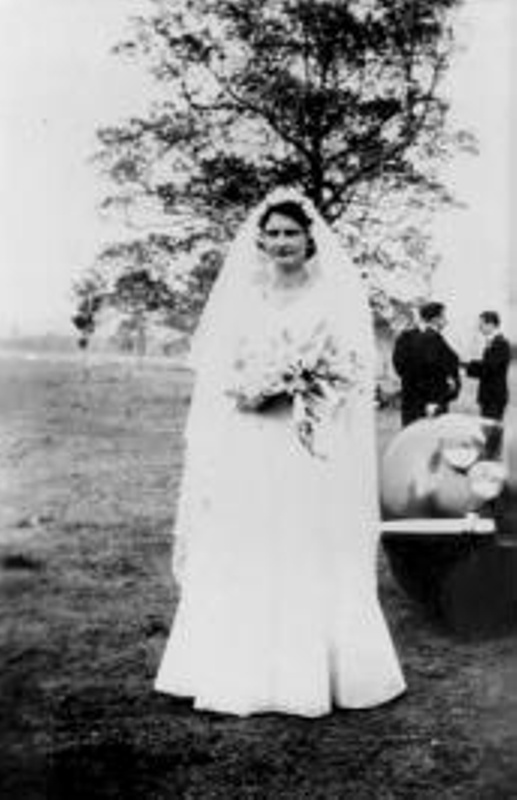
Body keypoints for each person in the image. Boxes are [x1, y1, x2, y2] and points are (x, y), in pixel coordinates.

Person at [155, 188, 406, 717]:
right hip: (252, 437)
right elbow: (221, 369)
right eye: (271, 234)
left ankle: (316, 673)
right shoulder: (244, 298)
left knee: (303, 536)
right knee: (248, 537)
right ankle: (233, 667)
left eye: (291, 233)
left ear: (310, 239)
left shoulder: (333, 297)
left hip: (306, 442)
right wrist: (249, 388)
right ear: (260, 240)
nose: (281, 242)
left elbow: (351, 371)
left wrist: (301, 385)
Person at [392, 301, 461, 426]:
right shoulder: (431, 338)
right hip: (430, 403)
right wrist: (432, 400)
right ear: (435, 319)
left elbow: (399, 367)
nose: (446, 321)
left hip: (414, 401)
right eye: (444, 317)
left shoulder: (406, 336)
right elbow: (432, 370)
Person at [464, 311, 511, 421]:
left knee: (491, 431)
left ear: (491, 324)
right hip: (490, 396)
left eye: (481, 324)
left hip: (494, 396)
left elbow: (489, 368)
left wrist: (466, 365)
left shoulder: (500, 343)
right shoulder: (492, 342)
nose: (479, 327)